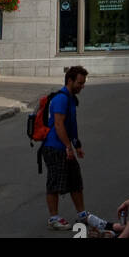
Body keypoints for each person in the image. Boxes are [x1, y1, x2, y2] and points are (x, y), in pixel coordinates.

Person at [42, 65, 88, 230]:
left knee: (75, 180)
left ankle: (82, 214)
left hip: (65, 147)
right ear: (70, 80)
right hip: (54, 148)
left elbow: (71, 125)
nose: (82, 86)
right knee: (55, 182)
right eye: (80, 83)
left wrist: (77, 145)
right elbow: (59, 125)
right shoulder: (61, 98)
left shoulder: (70, 98)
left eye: (83, 83)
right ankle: (53, 218)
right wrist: (68, 146)